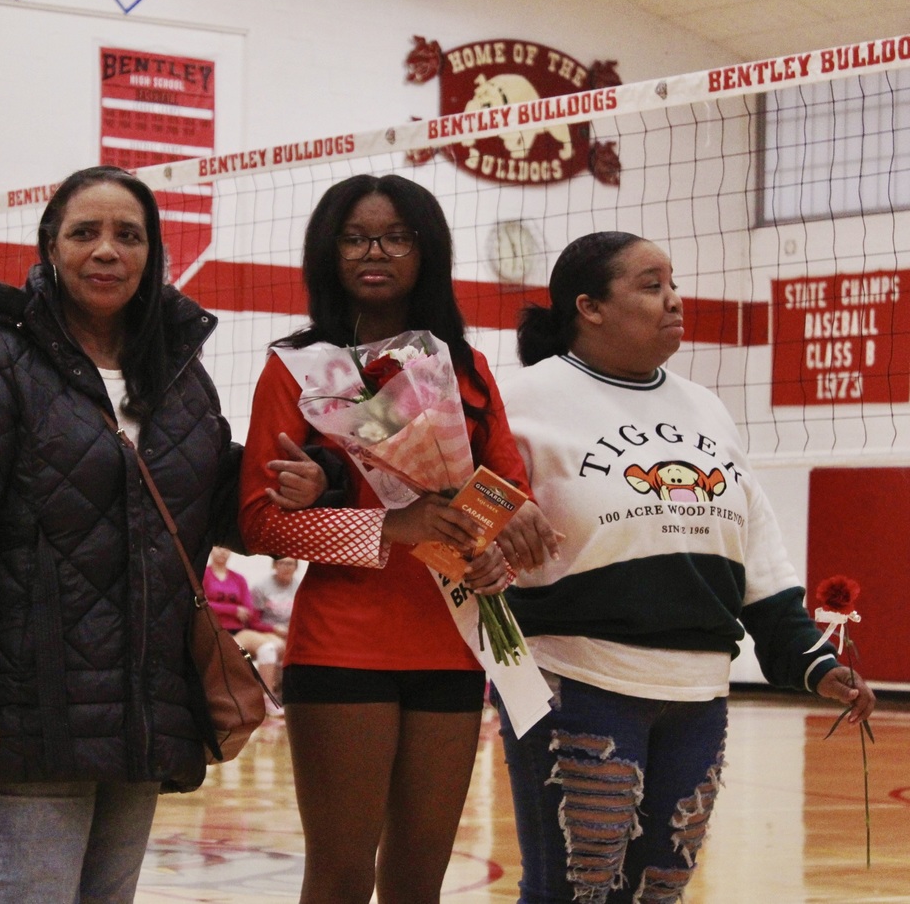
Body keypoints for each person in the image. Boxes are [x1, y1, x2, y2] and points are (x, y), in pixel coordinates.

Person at [0, 165, 326, 904]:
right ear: (50, 247)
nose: (107, 250)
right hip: (28, 697)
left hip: (142, 700)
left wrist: (310, 478)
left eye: (128, 235)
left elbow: (209, 496)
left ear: (152, 252)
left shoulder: (178, 375)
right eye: (85, 232)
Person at [494, 231, 877, 904]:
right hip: (575, 679)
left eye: (673, 283)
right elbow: (460, 509)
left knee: (660, 889)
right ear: (590, 307)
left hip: (698, 690)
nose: (675, 299)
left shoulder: (708, 408)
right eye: (651, 285)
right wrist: (498, 517)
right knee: (576, 891)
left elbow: (754, 546)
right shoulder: (521, 400)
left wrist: (814, 660)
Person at [238, 173, 558, 904]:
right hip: (343, 644)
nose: (373, 251)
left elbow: (505, 496)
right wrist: (393, 525)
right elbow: (261, 523)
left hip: (452, 639)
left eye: (395, 236)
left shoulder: (468, 369)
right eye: (354, 237)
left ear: (427, 251)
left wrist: (496, 546)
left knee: (420, 879)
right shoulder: (295, 369)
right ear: (329, 251)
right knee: (342, 875)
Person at [202, 544, 285, 711]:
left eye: (226, 549)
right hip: (214, 630)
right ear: (211, 550)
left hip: (238, 630)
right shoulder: (204, 575)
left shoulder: (238, 579)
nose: (223, 552)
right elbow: (203, 604)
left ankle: (266, 699)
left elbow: (248, 609)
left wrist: (232, 611)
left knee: (269, 647)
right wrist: (232, 609)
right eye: (218, 548)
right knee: (228, 652)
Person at [250, 555, 299, 639]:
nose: (285, 567)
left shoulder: (300, 588)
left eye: (289, 564)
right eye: (281, 563)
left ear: (296, 567)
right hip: (267, 633)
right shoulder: (260, 587)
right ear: (274, 565)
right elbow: (253, 622)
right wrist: (273, 629)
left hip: (292, 633)